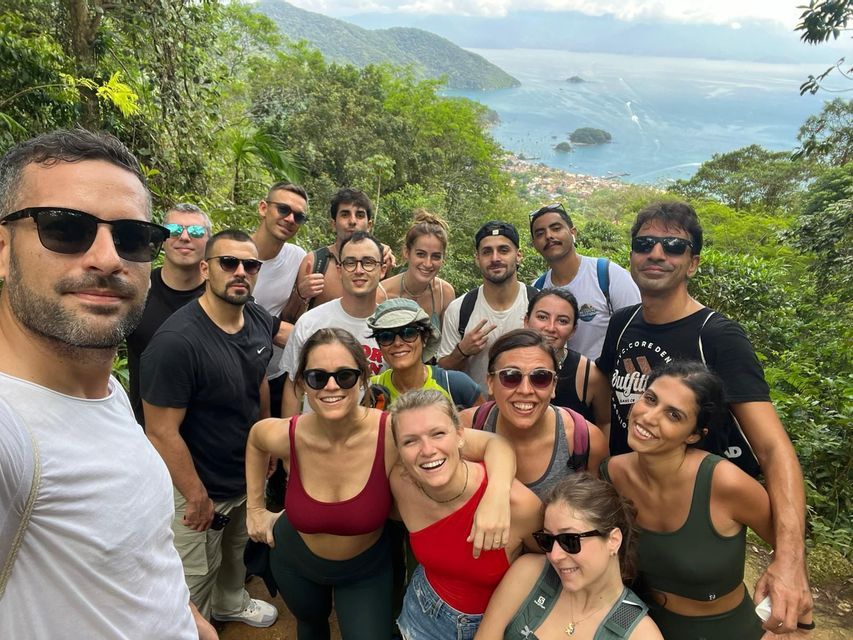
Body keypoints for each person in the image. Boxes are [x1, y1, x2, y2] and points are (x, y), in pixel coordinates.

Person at [0, 129, 212, 638]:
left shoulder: (96, 386)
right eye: (65, 229)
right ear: (3, 247)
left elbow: (137, 555)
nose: (107, 257)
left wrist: (189, 620)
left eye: (132, 237)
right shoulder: (11, 431)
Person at [596, 200, 812, 631]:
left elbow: (772, 448)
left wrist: (789, 563)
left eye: (674, 246)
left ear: (692, 263)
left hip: (702, 513)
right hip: (636, 508)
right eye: (645, 243)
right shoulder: (621, 324)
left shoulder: (717, 336)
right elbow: (608, 404)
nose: (657, 253)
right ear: (632, 256)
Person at [245, 328, 517, 640]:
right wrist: (255, 509)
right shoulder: (288, 435)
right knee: (310, 627)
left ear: (363, 380)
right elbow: (255, 440)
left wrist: (496, 497)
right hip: (294, 559)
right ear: (303, 385)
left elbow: (496, 445)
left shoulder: (390, 433)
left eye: (344, 376)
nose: (331, 386)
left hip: (364, 570)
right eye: (318, 377)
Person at [600, 361, 814, 638]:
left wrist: (801, 626)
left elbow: (792, 556)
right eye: (650, 399)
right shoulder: (610, 474)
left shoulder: (724, 483)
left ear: (693, 435)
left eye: (673, 415)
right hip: (643, 627)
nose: (649, 417)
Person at [142, 229, 279, 627]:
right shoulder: (176, 343)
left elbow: (258, 381)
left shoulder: (253, 316)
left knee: (236, 549)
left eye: (250, 265)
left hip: (242, 473)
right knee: (193, 574)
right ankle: (188, 630)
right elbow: (161, 431)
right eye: (228, 263)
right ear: (205, 268)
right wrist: (196, 495)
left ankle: (231, 602)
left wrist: (264, 443)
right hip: (196, 485)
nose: (240, 272)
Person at [390, 389, 543, 639]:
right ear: (398, 448)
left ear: (460, 435)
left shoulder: (520, 506)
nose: (427, 450)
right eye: (410, 441)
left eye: (438, 433)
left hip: (490, 627)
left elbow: (548, 563)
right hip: (418, 615)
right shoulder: (401, 482)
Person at [476, 474, 663, 640]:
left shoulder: (641, 634)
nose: (555, 556)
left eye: (570, 540)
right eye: (548, 540)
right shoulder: (529, 574)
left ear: (613, 540)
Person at [460, 329, 608, 500]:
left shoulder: (584, 439)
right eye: (510, 377)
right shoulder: (466, 427)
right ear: (490, 382)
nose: (525, 390)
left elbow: (596, 514)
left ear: (553, 386)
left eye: (540, 377)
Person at [280, 230, 387, 417]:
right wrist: (290, 438)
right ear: (339, 270)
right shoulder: (311, 322)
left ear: (382, 269)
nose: (359, 270)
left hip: (370, 436)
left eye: (368, 262)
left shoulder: (391, 328)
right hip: (314, 435)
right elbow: (293, 386)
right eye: (350, 263)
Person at [126, 202, 210, 425]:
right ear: (162, 239)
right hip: (144, 430)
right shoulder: (138, 290)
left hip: (208, 436)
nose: (184, 237)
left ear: (208, 241)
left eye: (195, 231)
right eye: (174, 230)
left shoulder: (220, 296)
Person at [529, 202, 639, 360]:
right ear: (534, 245)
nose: (549, 236)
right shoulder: (537, 290)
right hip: (553, 381)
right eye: (540, 233)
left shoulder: (607, 275)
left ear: (573, 232)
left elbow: (636, 329)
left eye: (556, 228)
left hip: (605, 380)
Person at [438, 220, 533, 388]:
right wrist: (462, 351)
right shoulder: (460, 309)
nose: (495, 258)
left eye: (503, 250)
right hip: (475, 411)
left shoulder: (538, 306)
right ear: (477, 258)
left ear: (518, 255)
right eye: (487, 252)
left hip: (529, 405)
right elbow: (443, 373)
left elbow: (558, 362)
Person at [281, 187, 394, 322]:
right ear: (333, 224)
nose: (352, 221)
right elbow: (289, 321)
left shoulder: (381, 261)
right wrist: (300, 295)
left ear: (369, 225)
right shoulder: (317, 262)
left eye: (359, 215)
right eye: (345, 214)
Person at [251, 182, 309, 417]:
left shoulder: (298, 257)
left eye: (299, 216)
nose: (290, 219)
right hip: (232, 371)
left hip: (276, 373)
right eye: (283, 209)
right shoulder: (234, 254)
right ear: (263, 208)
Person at [368, 298, 485, 409]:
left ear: (425, 338)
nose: (397, 343)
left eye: (408, 333)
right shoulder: (370, 390)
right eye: (386, 337)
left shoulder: (456, 385)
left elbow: (485, 424)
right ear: (379, 344)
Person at [524, 288, 610, 431]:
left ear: (573, 330)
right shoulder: (507, 366)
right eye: (542, 317)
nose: (551, 327)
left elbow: (605, 423)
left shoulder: (590, 375)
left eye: (562, 321)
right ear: (527, 321)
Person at [379, 209, 455, 332]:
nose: (428, 263)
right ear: (406, 252)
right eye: (420, 254)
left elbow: (447, 345)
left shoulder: (444, 293)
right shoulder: (382, 294)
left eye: (435, 256)